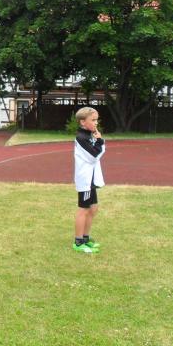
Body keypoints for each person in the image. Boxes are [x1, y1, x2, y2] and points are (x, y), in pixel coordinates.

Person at [73, 106, 105, 253]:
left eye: (96, 120)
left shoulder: (89, 135)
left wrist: (98, 141)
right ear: (82, 122)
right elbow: (94, 156)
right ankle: (78, 242)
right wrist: (100, 142)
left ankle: (85, 238)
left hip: (91, 179)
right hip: (85, 180)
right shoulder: (81, 138)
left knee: (93, 208)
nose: (96, 123)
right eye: (93, 120)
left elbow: (98, 153)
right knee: (84, 209)